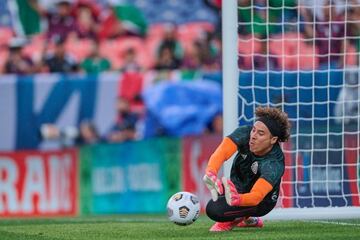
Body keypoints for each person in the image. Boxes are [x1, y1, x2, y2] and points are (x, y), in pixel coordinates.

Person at [203, 106, 291, 232]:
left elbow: (256, 196)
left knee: (214, 209)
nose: (253, 136)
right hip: (239, 186)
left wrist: (238, 199)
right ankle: (246, 219)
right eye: (254, 130)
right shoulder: (245, 133)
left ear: (273, 139)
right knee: (218, 190)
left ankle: (237, 218)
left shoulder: (274, 163)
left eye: (260, 133)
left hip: (261, 202)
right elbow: (221, 153)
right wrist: (211, 172)